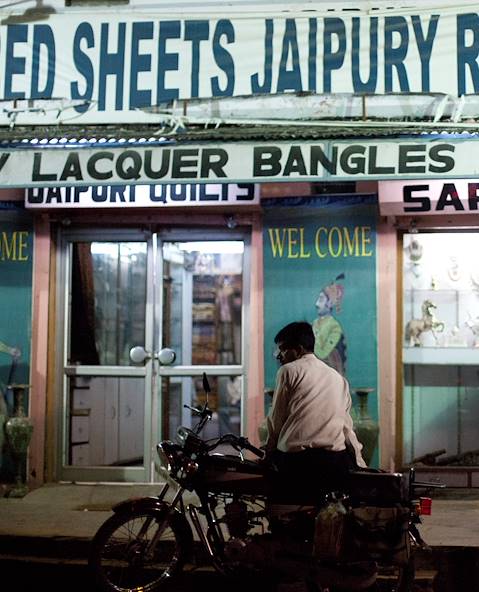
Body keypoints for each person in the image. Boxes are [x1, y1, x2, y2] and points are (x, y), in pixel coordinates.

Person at [263, 321, 366, 499]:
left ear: (299, 348)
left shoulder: (288, 371)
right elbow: (346, 427)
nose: (278, 355)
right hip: (335, 462)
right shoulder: (338, 378)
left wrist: (268, 454)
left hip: (296, 463)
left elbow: (276, 420)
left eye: (282, 349)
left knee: (279, 509)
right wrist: (360, 464)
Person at [312, 274, 347, 376]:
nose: (317, 304)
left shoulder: (335, 328)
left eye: (321, 300)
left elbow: (322, 353)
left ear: (330, 304)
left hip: (329, 377)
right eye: (318, 299)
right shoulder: (314, 324)